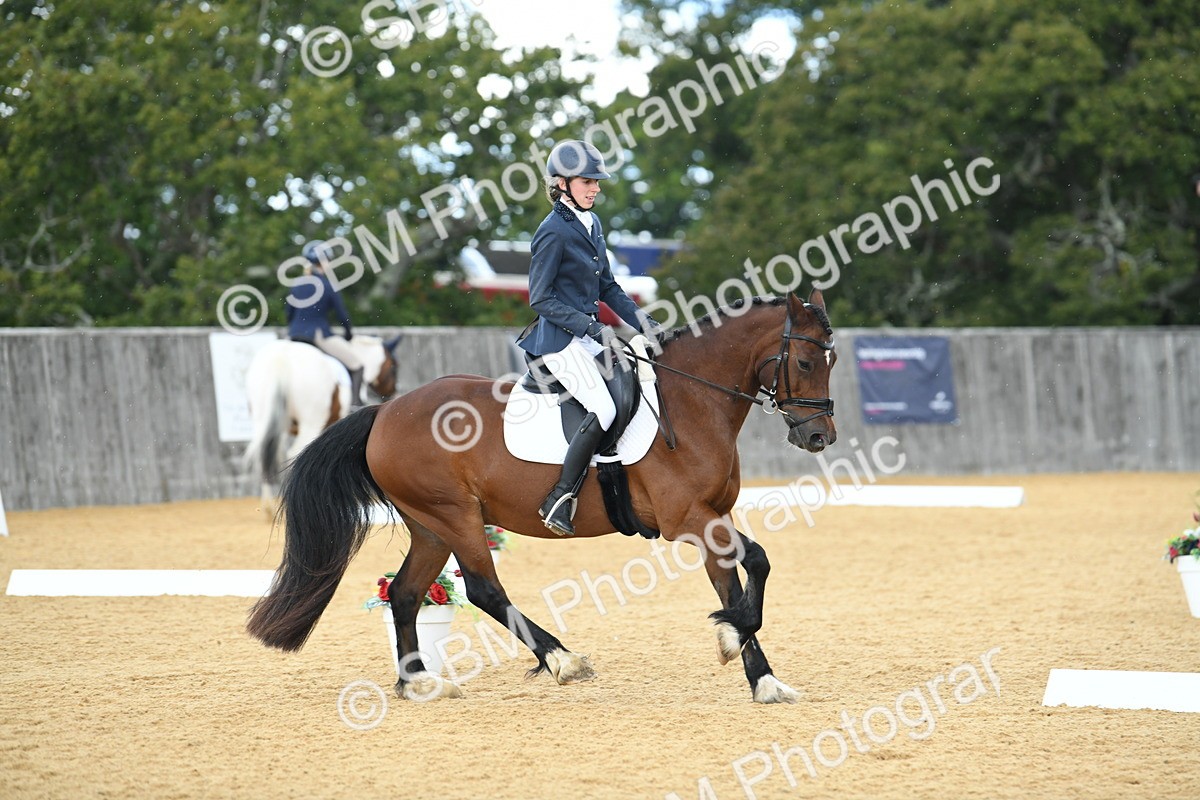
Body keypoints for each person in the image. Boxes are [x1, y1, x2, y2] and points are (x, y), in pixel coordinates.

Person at [516, 140, 660, 536]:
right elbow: (540, 298)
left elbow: (609, 288)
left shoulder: (592, 223)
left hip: (588, 338)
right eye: (587, 181)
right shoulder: (552, 232)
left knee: (635, 386)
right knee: (605, 407)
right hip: (559, 342)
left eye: (596, 181)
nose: (595, 188)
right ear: (561, 183)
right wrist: (593, 328)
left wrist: (644, 321)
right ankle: (560, 498)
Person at [285, 240, 365, 408]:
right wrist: (348, 335)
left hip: (293, 336)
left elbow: (289, 314)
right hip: (318, 336)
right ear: (324, 262)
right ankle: (355, 406)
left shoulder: (297, 285)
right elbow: (343, 317)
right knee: (357, 365)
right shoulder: (328, 286)